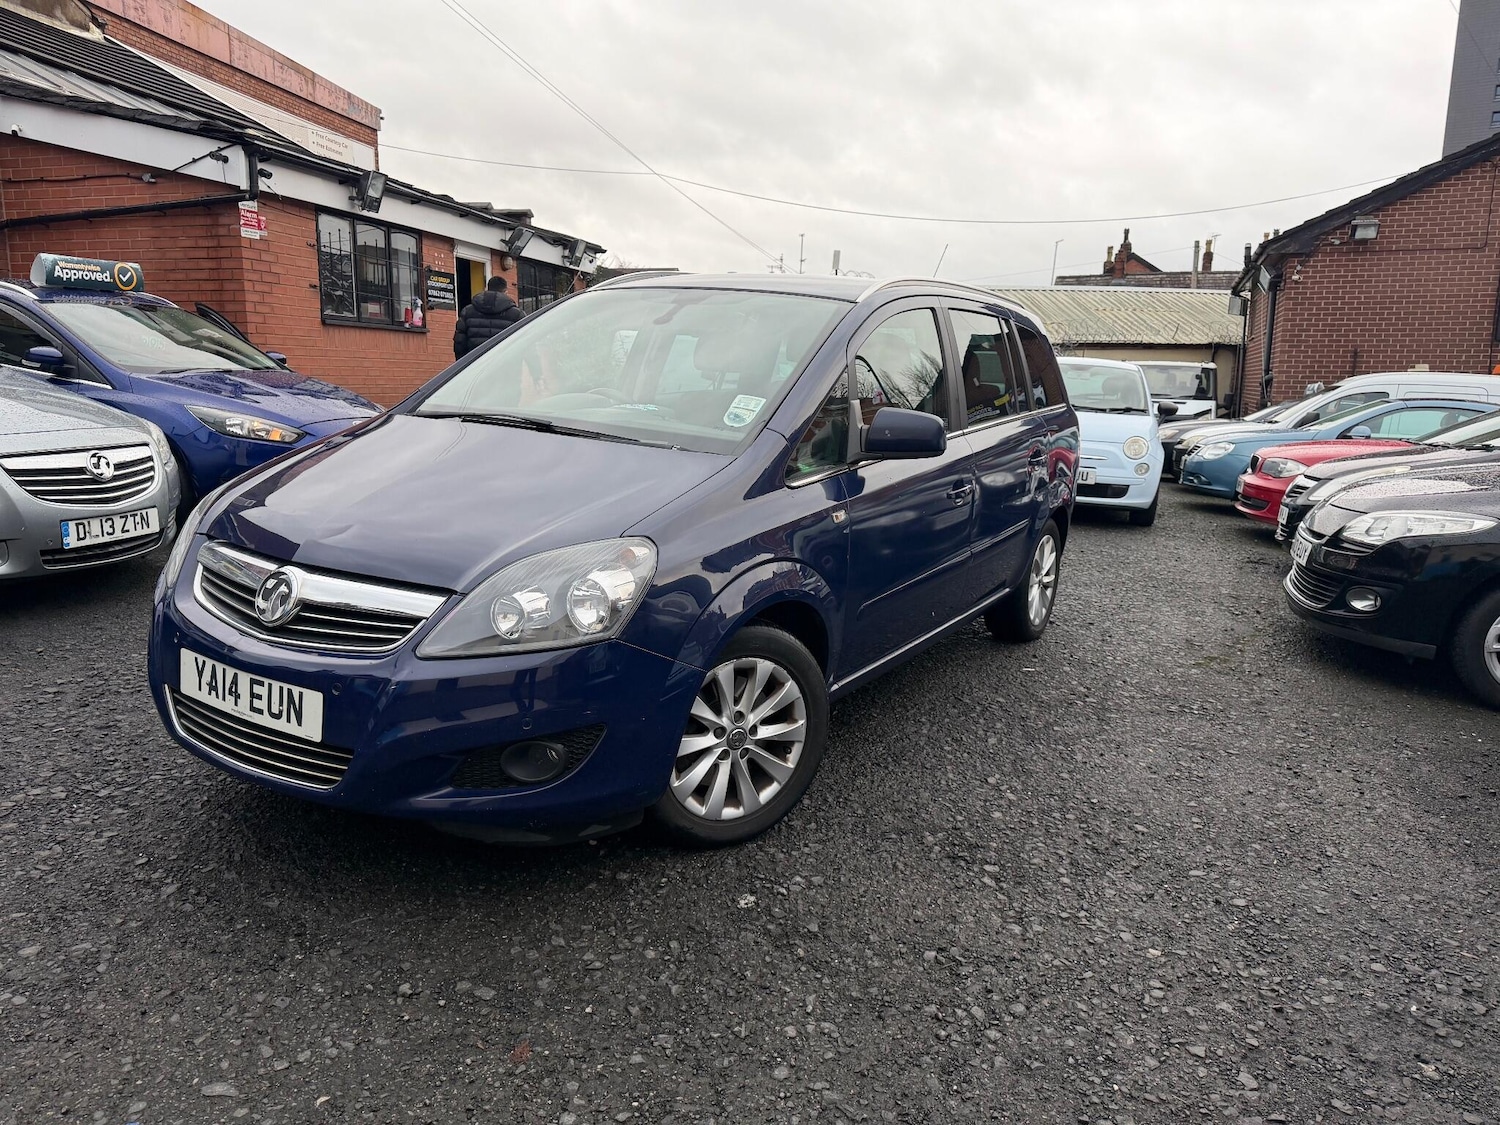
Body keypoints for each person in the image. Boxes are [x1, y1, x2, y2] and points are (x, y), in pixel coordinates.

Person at [453, 276, 523, 359]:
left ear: (486, 289)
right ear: (506, 292)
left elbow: (459, 343)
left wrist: (463, 365)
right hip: (506, 363)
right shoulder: (517, 314)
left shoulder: (468, 311)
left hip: (476, 364)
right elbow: (526, 343)